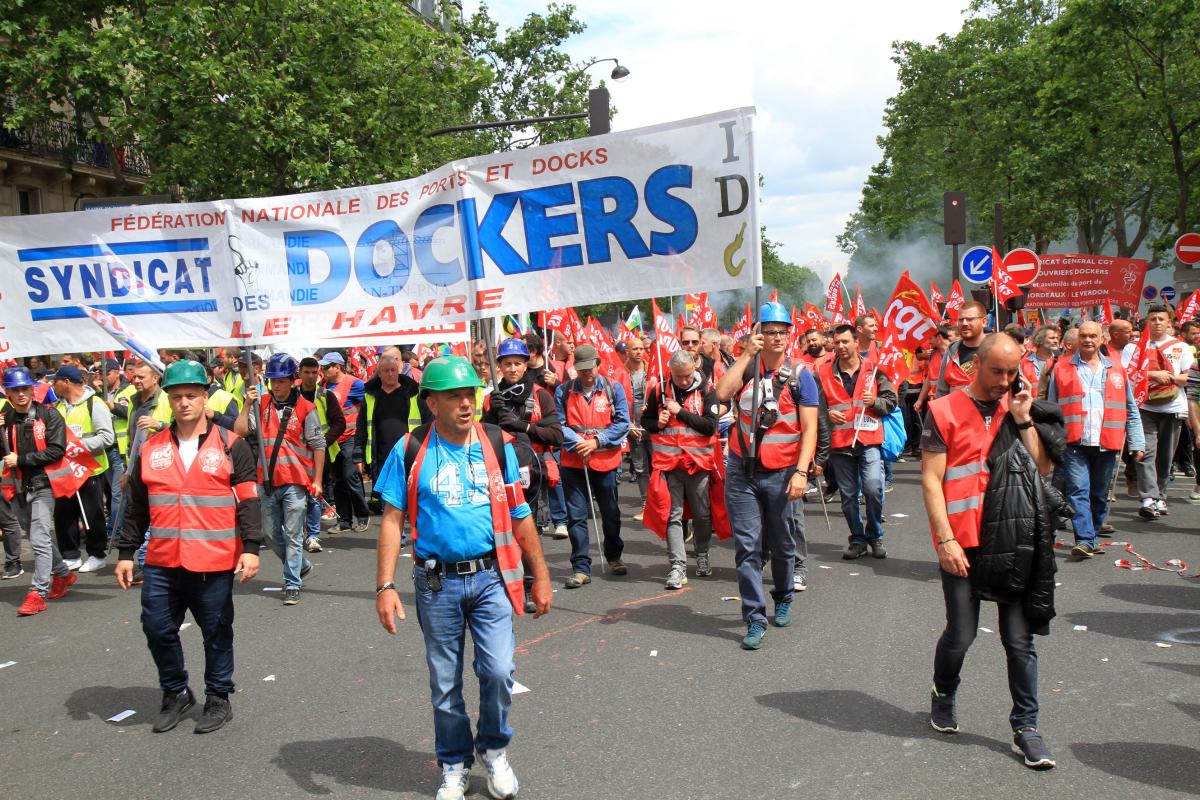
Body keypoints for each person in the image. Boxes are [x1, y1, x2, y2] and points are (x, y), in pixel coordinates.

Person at [373, 355, 551, 800]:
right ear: (431, 403)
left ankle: (494, 750)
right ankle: (454, 764)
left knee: (498, 670)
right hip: (436, 585)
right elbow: (392, 520)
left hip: (491, 578)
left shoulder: (497, 443)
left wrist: (541, 574)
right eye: (453, 396)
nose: (466, 403)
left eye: (469, 393)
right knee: (444, 682)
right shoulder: (410, 448)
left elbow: (520, 513)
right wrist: (385, 586)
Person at [921, 334, 1057, 770]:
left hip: (1015, 543)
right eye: (997, 371)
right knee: (961, 634)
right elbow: (931, 479)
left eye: (1012, 371)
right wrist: (945, 539)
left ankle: (1027, 728)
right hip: (963, 543)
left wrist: (1022, 419)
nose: (1004, 379)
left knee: (1019, 641)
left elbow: (1041, 468)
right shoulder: (943, 409)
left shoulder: (1018, 408)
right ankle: (943, 693)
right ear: (975, 365)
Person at [114, 360, 262, 734]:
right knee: (157, 628)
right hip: (163, 561)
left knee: (216, 632)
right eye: (177, 396)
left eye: (191, 396)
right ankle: (176, 692)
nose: (184, 403)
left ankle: (218, 697)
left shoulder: (232, 446)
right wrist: (126, 553)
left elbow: (248, 500)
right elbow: (136, 506)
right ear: (168, 399)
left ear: (204, 397)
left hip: (213, 562)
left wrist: (251, 547)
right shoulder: (152, 448)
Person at [715, 302, 818, 650]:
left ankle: (784, 594)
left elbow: (810, 428)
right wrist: (747, 355)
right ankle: (755, 618)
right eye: (768, 331)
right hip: (742, 471)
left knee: (783, 542)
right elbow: (721, 394)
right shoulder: (746, 368)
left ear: (789, 335)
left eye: (781, 332)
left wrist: (801, 472)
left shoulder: (801, 375)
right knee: (747, 547)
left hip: (783, 473)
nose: (775, 337)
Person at [1046, 322, 1144, 559]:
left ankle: (1093, 530)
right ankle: (1084, 540)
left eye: (1093, 336)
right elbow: (1051, 409)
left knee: (1099, 494)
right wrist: (1051, 442)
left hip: (1106, 442)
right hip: (1074, 443)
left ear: (1102, 340)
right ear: (1077, 339)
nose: (1088, 340)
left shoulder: (1117, 369)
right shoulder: (1061, 368)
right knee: (1078, 490)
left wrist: (1137, 441)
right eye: (1083, 335)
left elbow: (1130, 408)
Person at [236, 353, 324, 605]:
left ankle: (292, 582)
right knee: (270, 533)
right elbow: (240, 431)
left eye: (281, 380)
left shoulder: (306, 408)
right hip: (266, 480)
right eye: (273, 380)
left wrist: (317, 480)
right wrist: (246, 404)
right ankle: (300, 565)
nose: (276, 385)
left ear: (292, 380)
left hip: (295, 481)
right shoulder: (260, 404)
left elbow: (318, 445)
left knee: (294, 534)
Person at [817, 324, 897, 559]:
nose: (840, 346)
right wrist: (827, 413)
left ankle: (875, 535)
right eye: (837, 342)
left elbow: (891, 401)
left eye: (845, 341)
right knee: (849, 496)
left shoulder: (875, 370)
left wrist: (875, 402)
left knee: (873, 488)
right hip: (840, 443)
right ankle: (858, 540)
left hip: (869, 440)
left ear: (855, 342)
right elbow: (813, 406)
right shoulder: (822, 373)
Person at [641, 350, 721, 587]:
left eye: (687, 375)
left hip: (698, 464)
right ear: (671, 372)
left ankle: (702, 552)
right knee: (672, 514)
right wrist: (657, 423)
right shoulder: (659, 390)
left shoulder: (708, 390)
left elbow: (710, 426)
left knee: (702, 514)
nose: (684, 381)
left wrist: (680, 412)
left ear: (694, 369)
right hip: (669, 464)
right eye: (679, 377)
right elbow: (645, 421)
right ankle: (677, 566)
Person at [1, 366, 76, 615]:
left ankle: (38, 592)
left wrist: (20, 460)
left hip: (44, 484)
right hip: (17, 486)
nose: (21, 394)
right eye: (15, 390)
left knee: (40, 537)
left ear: (32, 390)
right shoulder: (5, 418)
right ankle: (62, 573)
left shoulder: (50, 415)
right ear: (8, 393)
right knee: (35, 535)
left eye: (25, 388)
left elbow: (57, 450)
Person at [556, 344, 630, 588]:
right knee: (576, 516)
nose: (587, 373)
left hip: (605, 460)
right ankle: (580, 567)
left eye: (590, 368)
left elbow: (623, 423)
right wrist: (580, 443)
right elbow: (559, 424)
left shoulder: (613, 388)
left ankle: (614, 556)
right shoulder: (563, 391)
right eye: (582, 369)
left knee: (611, 513)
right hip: (574, 460)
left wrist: (596, 442)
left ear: (598, 364)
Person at [1129, 305, 1192, 519]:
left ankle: (1160, 496)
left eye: (1161, 319)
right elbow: (1128, 374)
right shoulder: (1133, 348)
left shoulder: (1181, 347)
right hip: (1143, 407)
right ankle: (1148, 498)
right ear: (1147, 322)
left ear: (1168, 323)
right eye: (1153, 318)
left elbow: (1189, 377)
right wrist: (1153, 375)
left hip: (1172, 408)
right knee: (1145, 453)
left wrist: (1170, 378)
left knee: (1165, 458)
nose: (1156, 322)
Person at [52, 365, 115, 572]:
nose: (53, 385)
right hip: (65, 471)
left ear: (66, 382)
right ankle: (70, 555)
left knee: (92, 514)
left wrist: (77, 446)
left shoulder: (94, 404)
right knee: (64, 514)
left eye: (56, 381)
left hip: (90, 469)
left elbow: (107, 437)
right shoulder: (58, 407)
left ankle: (97, 554)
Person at [297, 356, 345, 553]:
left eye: (314, 373)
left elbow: (339, 423)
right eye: (306, 373)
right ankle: (297, 534)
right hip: (297, 452)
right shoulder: (293, 395)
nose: (310, 376)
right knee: (296, 494)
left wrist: (322, 443)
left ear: (319, 374)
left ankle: (313, 536)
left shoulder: (326, 395)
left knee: (315, 493)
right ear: (299, 374)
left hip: (320, 453)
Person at [320, 352, 371, 533]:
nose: (323, 370)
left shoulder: (354, 384)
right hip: (333, 440)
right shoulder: (323, 386)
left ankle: (362, 516)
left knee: (351, 476)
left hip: (351, 437)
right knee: (337, 481)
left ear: (337, 367)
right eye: (322, 367)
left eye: (327, 367)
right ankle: (344, 520)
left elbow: (369, 403)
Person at [356, 355, 422, 485]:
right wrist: (358, 457)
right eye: (386, 371)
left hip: (410, 456)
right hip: (380, 459)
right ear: (379, 374)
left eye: (393, 370)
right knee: (383, 496)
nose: (390, 374)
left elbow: (428, 423)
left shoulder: (413, 394)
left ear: (398, 371)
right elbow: (362, 429)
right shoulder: (370, 397)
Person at [931, 302, 988, 399]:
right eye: (961, 320)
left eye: (970, 319)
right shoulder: (952, 350)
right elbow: (942, 391)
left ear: (984, 322)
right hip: (955, 408)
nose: (964, 323)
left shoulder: (997, 349)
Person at [624, 338, 651, 513]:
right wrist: (628, 424)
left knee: (659, 467)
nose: (639, 351)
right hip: (634, 427)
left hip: (653, 425)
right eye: (635, 349)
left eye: (641, 348)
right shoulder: (620, 373)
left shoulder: (653, 370)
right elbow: (616, 403)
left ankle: (661, 504)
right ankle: (646, 505)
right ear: (627, 352)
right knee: (640, 468)